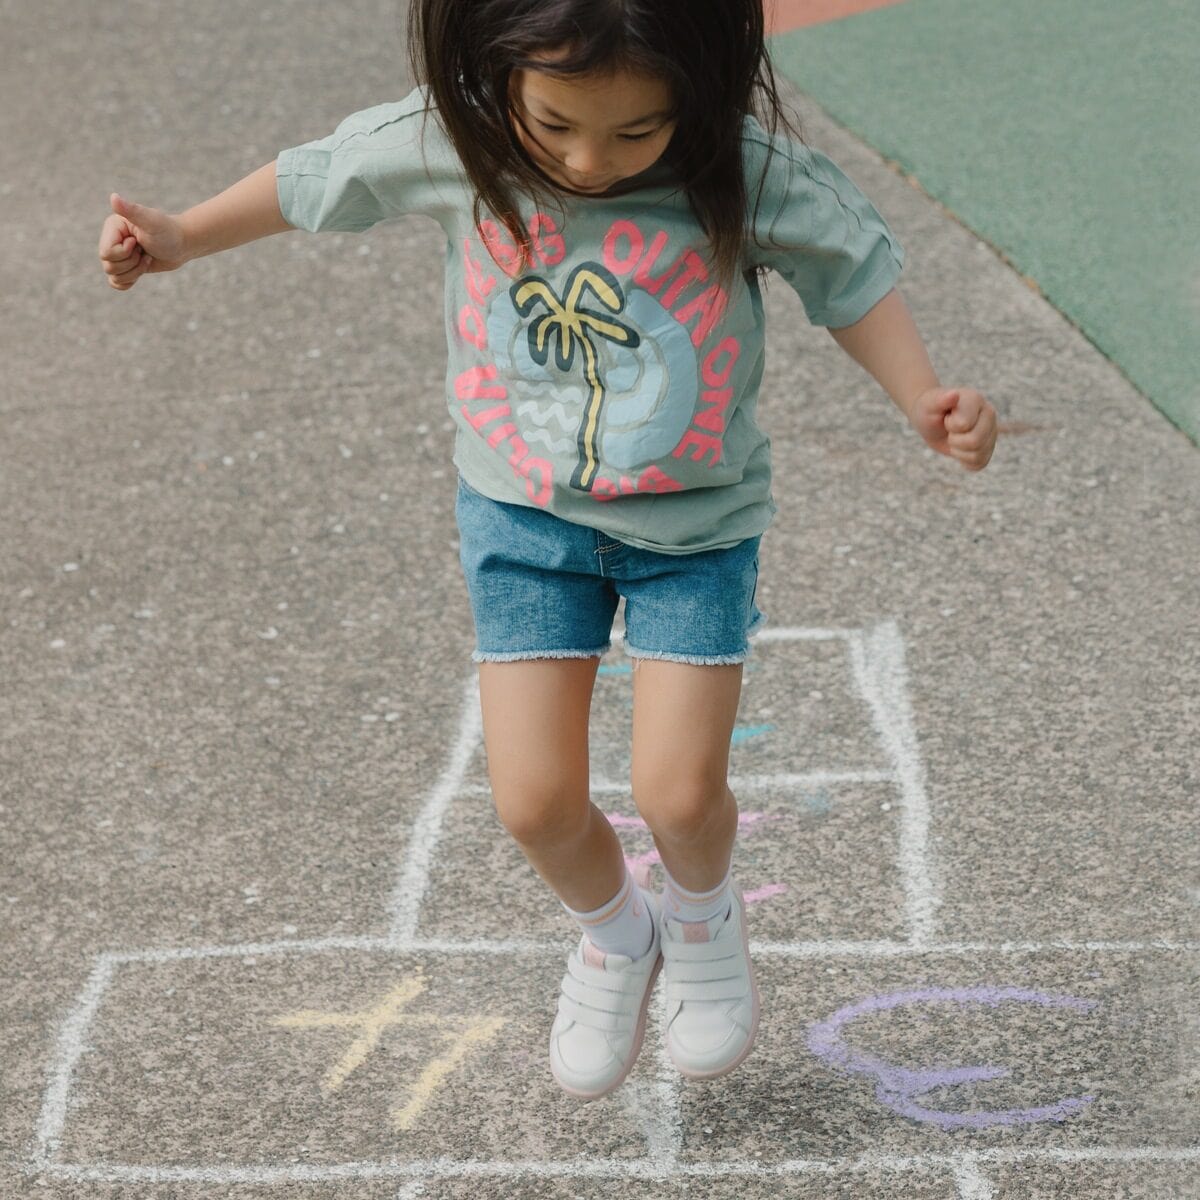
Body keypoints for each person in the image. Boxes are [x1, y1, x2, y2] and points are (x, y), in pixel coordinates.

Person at [97, 0, 997, 1102]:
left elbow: (848, 266)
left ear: (697, 91)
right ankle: (618, 935)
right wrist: (184, 233)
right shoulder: (456, 141)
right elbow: (317, 178)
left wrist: (922, 396)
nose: (588, 162)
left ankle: (702, 922)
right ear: (497, 72)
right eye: (557, 122)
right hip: (524, 524)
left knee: (676, 792)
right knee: (531, 802)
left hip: (693, 529)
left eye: (634, 133)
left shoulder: (736, 168)